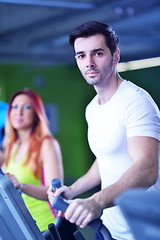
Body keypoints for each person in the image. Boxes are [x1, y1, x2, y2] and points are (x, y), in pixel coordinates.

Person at [47, 21, 160, 240]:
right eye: (81, 56)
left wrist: (96, 201)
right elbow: (105, 158)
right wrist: (72, 190)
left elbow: (147, 170)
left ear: (115, 56)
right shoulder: (92, 109)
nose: (89, 62)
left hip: (144, 231)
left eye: (97, 53)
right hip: (110, 228)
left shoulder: (135, 102)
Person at [1, 89, 64, 232]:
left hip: (49, 226)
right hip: (24, 227)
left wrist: (21, 186)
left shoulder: (47, 144)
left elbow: (54, 193)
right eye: (15, 107)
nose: (19, 112)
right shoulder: (10, 146)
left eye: (27, 107)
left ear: (36, 113)